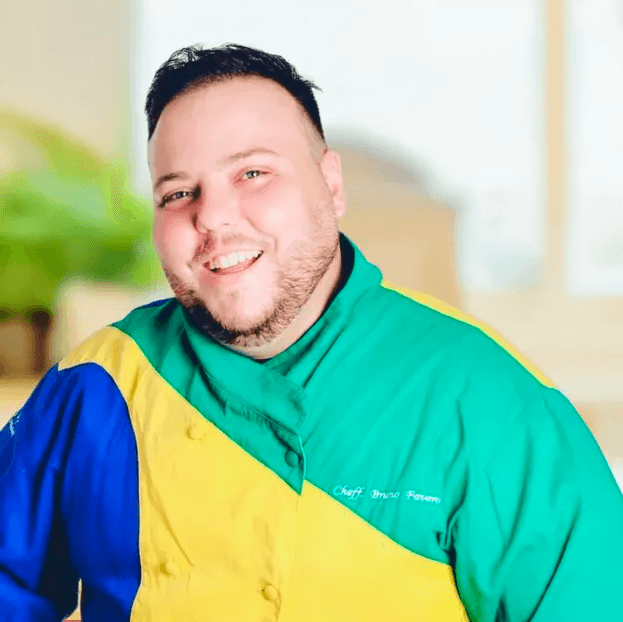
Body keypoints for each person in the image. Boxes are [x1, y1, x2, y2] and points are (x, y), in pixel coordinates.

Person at [1, 43, 622, 622]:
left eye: (252, 175)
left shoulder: (488, 399)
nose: (212, 217)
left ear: (331, 186)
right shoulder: (96, 384)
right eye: (179, 192)